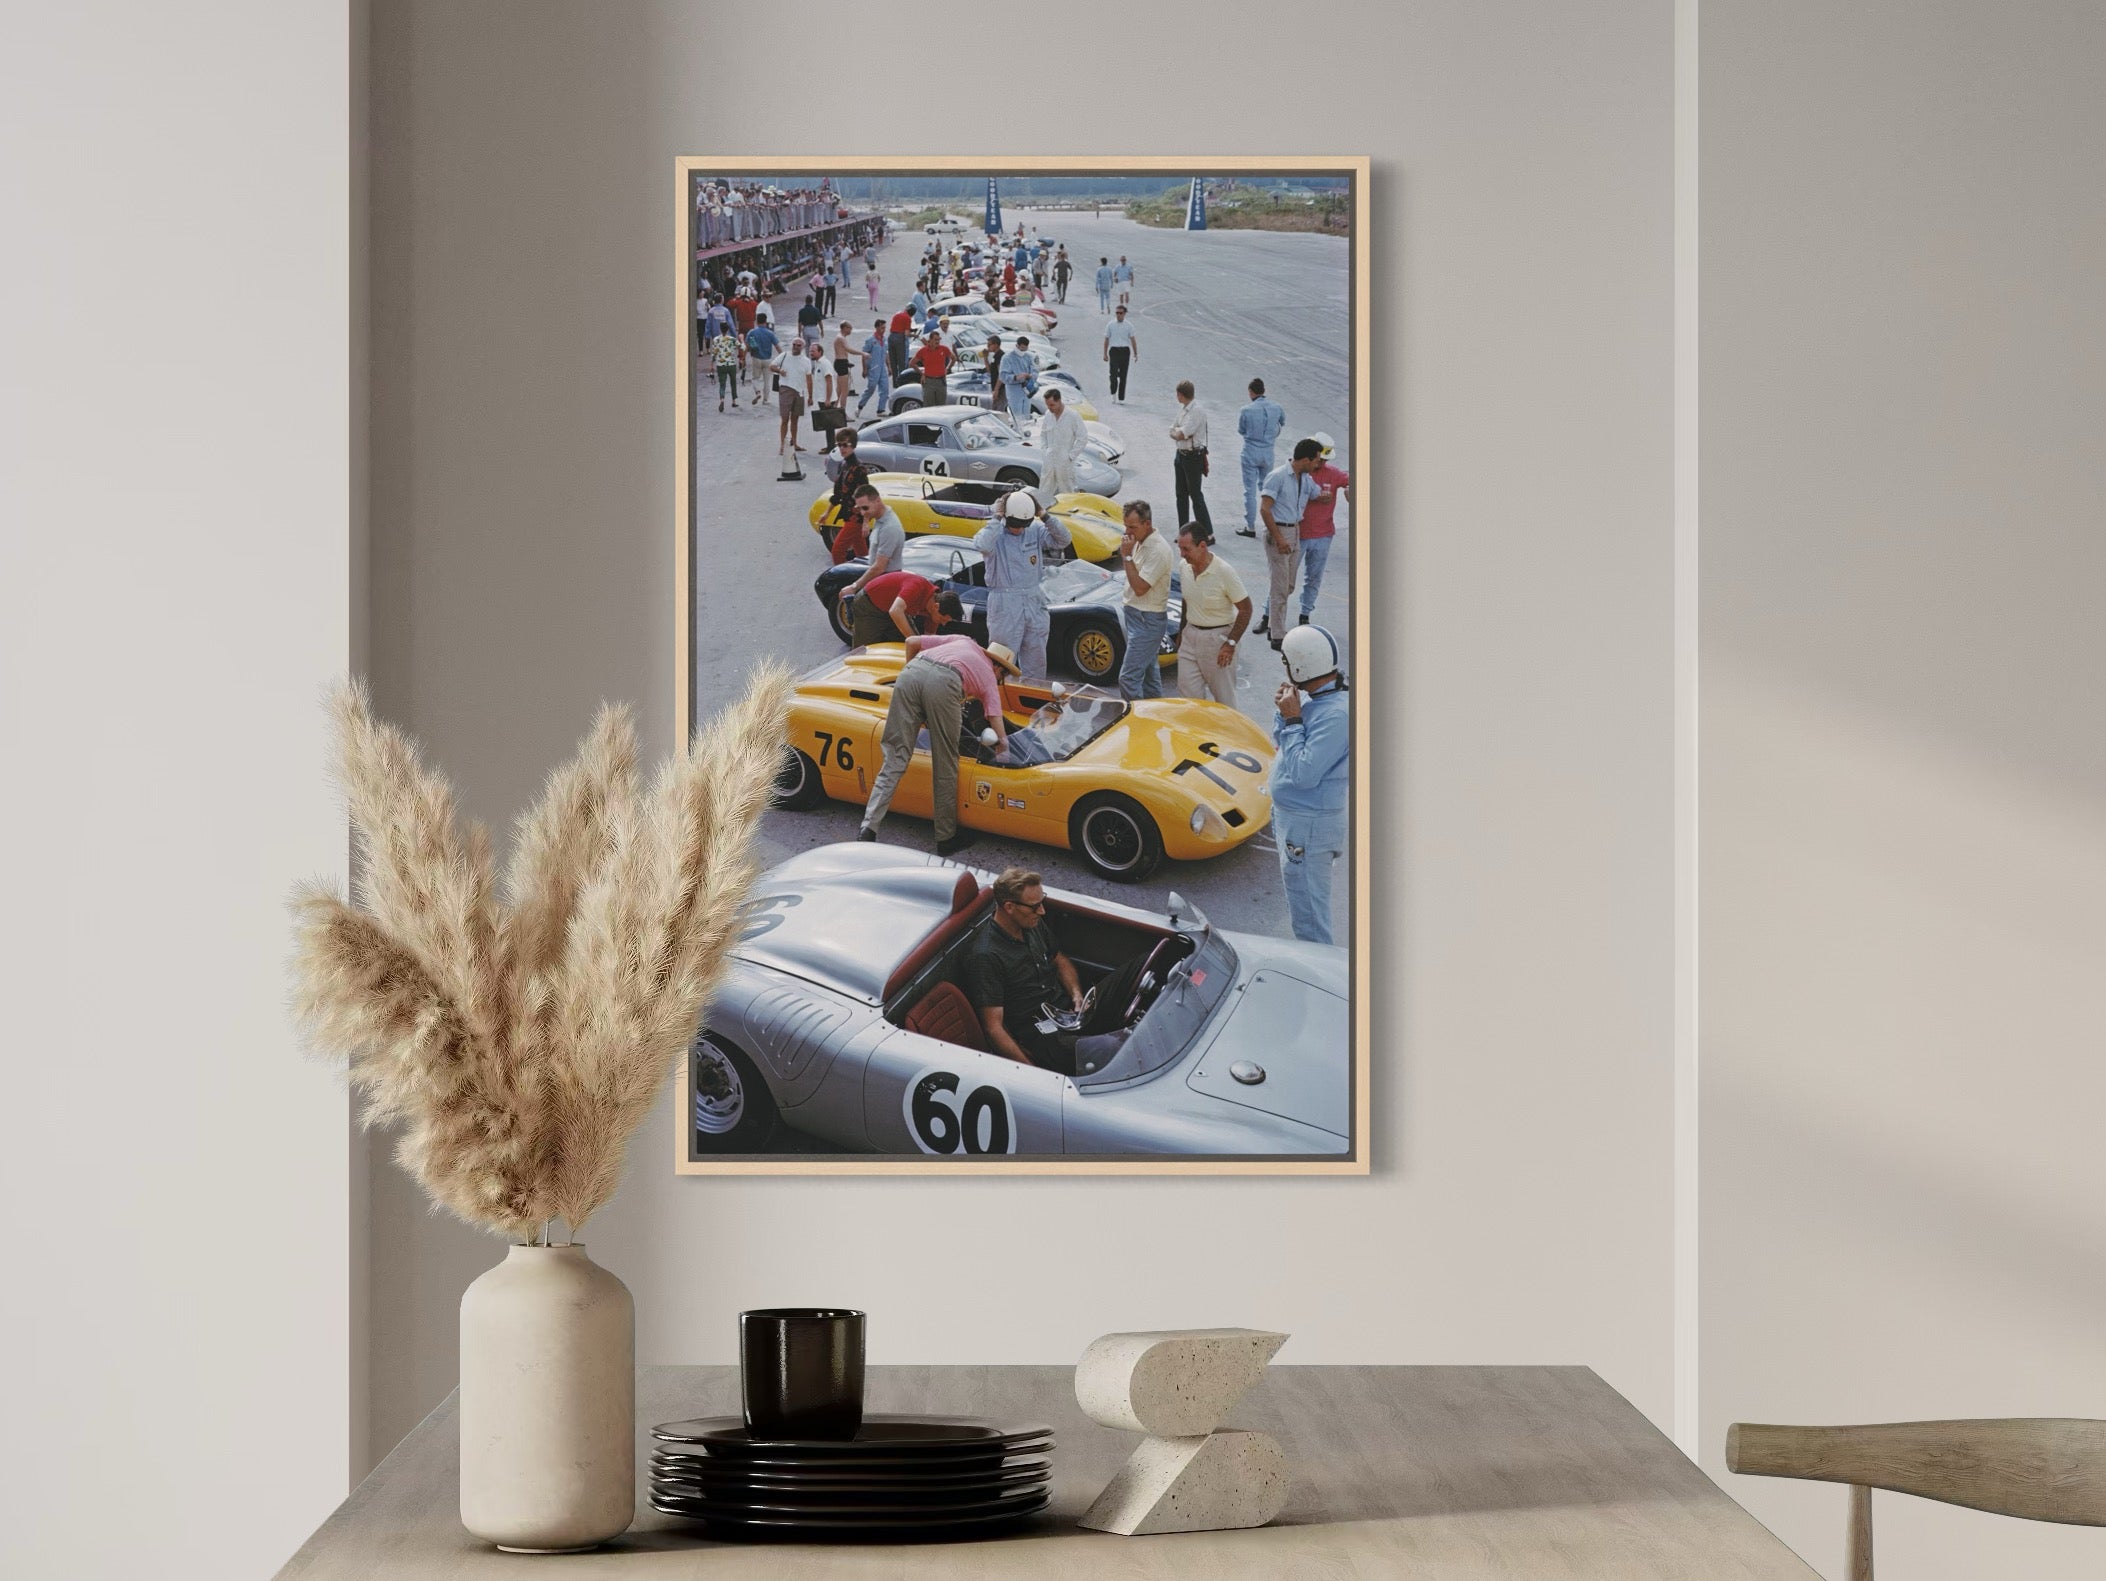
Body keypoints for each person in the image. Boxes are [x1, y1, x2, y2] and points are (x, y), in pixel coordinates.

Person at [859, 632, 1017, 857]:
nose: (1000, 681)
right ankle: (946, 838)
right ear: (999, 669)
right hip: (945, 684)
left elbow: (911, 642)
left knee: (895, 757)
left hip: (911, 673)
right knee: (946, 763)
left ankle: (868, 828)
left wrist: (916, 685)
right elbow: (995, 717)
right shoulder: (990, 676)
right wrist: (1004, 748)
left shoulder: (965, 640)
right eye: (1003, 677)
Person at [964, 868, 1127, 1073]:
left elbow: (1058, 958)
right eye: (1034, 907)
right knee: (1113, 1048)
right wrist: (1029, 1072)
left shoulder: (1032, 923)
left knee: (1135, 971)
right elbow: (993, 1028)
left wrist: (1077, 996)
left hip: (1068, 1012)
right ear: (1009, 907)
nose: (1042, 911)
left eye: (1042, 902)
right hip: (1041, 1035)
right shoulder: (986, 955)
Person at [1269, 625, 1350, 944]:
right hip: (1295, 821)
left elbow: (1303, 775)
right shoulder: (1315, 698)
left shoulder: (1337, 715)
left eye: (1287, 662)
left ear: (1301, 665)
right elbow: (1284, 745)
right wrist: (1285, 717)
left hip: (1307, 828)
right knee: (1300, 904)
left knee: (1310, 923)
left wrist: (1291, 720)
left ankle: (1321, 985)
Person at [972, 489, 1071, 680]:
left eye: (1022, 525)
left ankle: (1032, 699)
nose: (1018, 529)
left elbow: (1064, 539)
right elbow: (982, 545)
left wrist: (1043, 514)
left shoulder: (1033, 530)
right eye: (1014, 524)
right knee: (1001, 660)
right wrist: (997, 517)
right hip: (1005, 602)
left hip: (1034, 599)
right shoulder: (995, 533)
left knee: (1036, 658)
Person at [1173, 525, 1252, 705]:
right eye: (1179, 548)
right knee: (1189, 699)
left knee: (1224, 701)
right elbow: (1187, 600)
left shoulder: (1224, 571)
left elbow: (1246, 609)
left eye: (1186, 549)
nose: (1182, 554)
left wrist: (1230, 644)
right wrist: (1181, 632)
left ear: (1202, 546)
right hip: (1189, 637)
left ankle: (1229, 733)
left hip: (1217, 640)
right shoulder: (1184, 567)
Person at [1258, 438, 1325, 644]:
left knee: (1287, 585)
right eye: (1316, 461)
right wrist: (1278, 538)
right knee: (1280, 587)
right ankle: (1277, 635)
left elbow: (1317, 494)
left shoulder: (1304, 479)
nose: (1318, 465)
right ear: (1305, 459)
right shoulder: (1277, 476)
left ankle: (1272, 626)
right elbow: (1265, 509)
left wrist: (1328, 493)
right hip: (1279, 532)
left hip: (1295, 531)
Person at [1115, 500, 1175, 701]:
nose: (1127, 532)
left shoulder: (1157, 550)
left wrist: (1127, 557)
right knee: (1150, 675)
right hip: (1137, 617)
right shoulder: (1140, 542)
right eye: (1126, 526)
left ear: (1147, 524)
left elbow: (1140, 588)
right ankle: (1154, 712)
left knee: (1128, 678)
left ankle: (1137, 720)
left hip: (1146, 621)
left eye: (1132, 527)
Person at [1295, 431, 1350, 627]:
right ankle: (1269, 614)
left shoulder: (1333, 473)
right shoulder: (1298, 472)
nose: (1322, 463)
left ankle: (1305, 613)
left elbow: (1352, 481)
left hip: (1323, 535)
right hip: (1298, 534)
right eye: (1320, 459)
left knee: (1314, 578)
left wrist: (1349, 490)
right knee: (1285, 579)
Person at [846, 568, 964, 647]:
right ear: (936, 607)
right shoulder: (916, 586)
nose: (943, 624)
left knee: (907, 645)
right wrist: (912, 639)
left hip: (894, 609)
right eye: (943, 620)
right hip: (869, 605)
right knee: (863, 650)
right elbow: (895, 610)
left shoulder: (934, 611)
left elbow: (928, 640)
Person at [1235, 377, 1286, 537]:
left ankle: (1250, 526)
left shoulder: (1246, 410)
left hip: (1250, 451)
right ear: (1264, 391)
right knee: (1268, 489)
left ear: (1251, 392)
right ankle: (1272, 523)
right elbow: (1282, 423)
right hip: (1268, 452)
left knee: (1249, 491)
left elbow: (1241, 430)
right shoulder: (1276, 407)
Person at [839, 482, 906, 597]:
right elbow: (867, 512)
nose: (863, 512)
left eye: (865, 508)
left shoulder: (889, 527)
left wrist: (854, 587)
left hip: (886, 581)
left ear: (878, 500)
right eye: (859, 508)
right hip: (880, 577)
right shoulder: (880, 516)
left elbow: (880, 567)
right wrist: (865, 521)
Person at [822, 428, 873, 556]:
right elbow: (838, 493)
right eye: (839, 445)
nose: (842, 449)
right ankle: (866, 574)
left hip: (855, 518)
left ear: (853, 446)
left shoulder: (859, 468)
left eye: (845, 445)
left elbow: (865, 495)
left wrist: (866, 522)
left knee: (837, 551)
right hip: (848, 514)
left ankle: (841, 576)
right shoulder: (844, 464)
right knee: (861, 552)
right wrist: (827, 513)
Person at [1168, 379, 1211, 532]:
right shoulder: (1184, 409)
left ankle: (1207, 531)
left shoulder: (1196, 411)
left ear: (1180, 394)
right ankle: (1183, 530)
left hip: (1193, 456)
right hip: (1181, 454)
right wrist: (1176, 432)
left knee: (1195, 495)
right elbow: (1173, 428)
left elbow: (1180, 433)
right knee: (1181, 495)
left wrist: (1177, 433)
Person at [1037, 388, 1087, 499]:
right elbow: (1043, 435)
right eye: (1048, 405)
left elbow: (1083, 438)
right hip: (1049, 458)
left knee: (1067, 490)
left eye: (1052, 405)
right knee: (1045, 488)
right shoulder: (1048, 415)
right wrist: (1045, 451)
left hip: (1065, 460)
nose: (1049, 408)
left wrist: (1070, 456)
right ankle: (1044, 512)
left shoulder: (1072, 416)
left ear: (1059, 401)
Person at [774, 338, 806, 456]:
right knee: (785, 419)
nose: (795, 346)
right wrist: (779, 371)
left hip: (799, 391)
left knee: (795, 419)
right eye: (794, 344)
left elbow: (809, 378)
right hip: (786, 389)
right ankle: (782, 445)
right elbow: (772, 366)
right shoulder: (784, 355)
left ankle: (795, 442)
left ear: (802, 347)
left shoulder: (805, 360)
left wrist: (811, 395)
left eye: (798, 345)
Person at [912, 324, 954, 407]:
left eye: (938, 340)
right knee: (928, 406)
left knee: (941, 406)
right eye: (935, 340)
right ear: (930, 340)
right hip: (929, 381)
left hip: (941, 381)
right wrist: (922, 373)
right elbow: (912, 363)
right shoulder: (923, 351)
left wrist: (948, 369)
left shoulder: (943, 349)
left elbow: (954, 358)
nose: (937, 342)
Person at [1102, 304, 1137, 402]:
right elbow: (1106, 339)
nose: (1118, 315)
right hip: (1114, 351)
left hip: (1125, 351)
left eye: (1120, 313)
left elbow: (1133, 339)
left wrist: (1135, 353)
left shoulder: (1129, 326)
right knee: (1113, 374)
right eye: (1117, 313)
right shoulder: (1110, 325)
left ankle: (1121, 397)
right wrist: (1105, 353)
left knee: (1123, 375)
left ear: (1124, 314)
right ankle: (1113, 392)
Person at [999, 335, 1037, 423]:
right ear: (1017, 345)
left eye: (1025, 349)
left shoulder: (1029, 357)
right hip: (1014, 391)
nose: (1023, 351)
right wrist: (1015, 377)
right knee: (1016, 418)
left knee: (1026, 417)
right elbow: (1003, 376)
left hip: (1027, 390)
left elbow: (1035, 371)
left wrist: (1030, 376)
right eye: (1022, 349)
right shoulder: (1007, 358)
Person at [857, 318, 890, 416]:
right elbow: (864, 354)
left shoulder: (884, 340)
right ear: (877, 327)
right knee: (871, 388)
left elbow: (886, 354)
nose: (883, 330)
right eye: (882, 328)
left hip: (882, 368)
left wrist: (889, 367)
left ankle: (881, 409)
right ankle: (860, 406)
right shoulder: (871, 340)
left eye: (884, 328)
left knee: (885, 388)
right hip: (873, 368)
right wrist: (864, 369)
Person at [745, 316, 779, 408]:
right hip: (767, 359)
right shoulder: (770, 333)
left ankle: (757, 392)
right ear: (766, 321)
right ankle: (766, 399)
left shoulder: (752, 332)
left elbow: (747, 346)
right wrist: (783, 357)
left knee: (755, 378)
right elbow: (777, 346)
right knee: (767, 381)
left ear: (756, 321)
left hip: (756, 358)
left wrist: (743, 358)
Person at [708, 324, 740, 412]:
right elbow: (742, 347)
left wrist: (711, 366)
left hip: (720, 365)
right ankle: (734, 401)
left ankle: (722, 399)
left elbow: (713, 354)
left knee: (722, 384)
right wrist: (742, 340)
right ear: (728, 329)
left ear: (720, 329)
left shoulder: (716, 339)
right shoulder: (732, 339)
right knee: (733, 382)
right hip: (731, 364)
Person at [887, 304, 914, 379]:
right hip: (900, 339)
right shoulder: (908, 318)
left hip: (891, 337)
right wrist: (914, 335)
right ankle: (901, 380)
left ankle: (895, 381)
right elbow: (906, 334)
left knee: (893, 361)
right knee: (901, 362)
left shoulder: (897, 315)